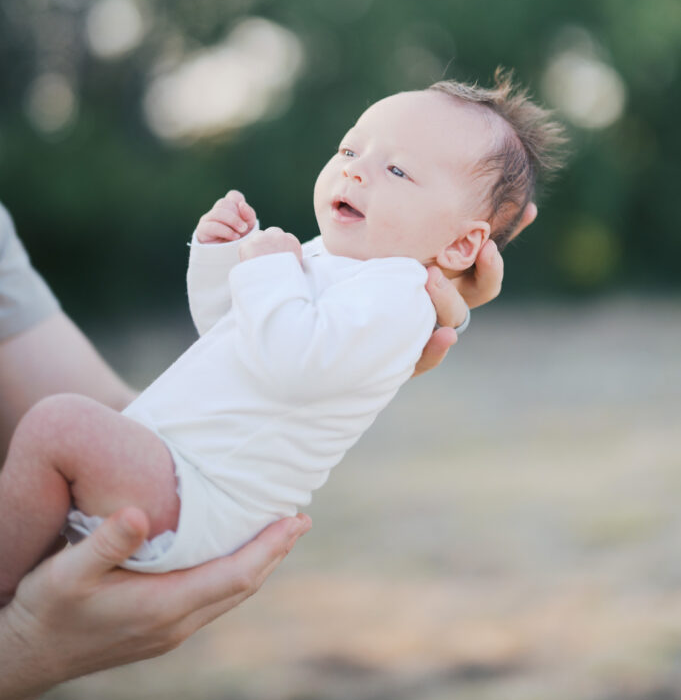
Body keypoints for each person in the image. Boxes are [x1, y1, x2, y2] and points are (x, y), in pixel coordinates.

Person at [0, 71, 561, 600]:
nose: (355, 170)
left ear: (463, 246)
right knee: (58, 437)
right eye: (349, 150)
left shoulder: (399, 295)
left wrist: (267, 270)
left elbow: (293, 363)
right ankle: (27, 582)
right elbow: (231, 336)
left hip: (205, 494)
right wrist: (223, 258)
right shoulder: (335, 260)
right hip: (176, 469)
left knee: (58, 425)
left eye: (397, 171)